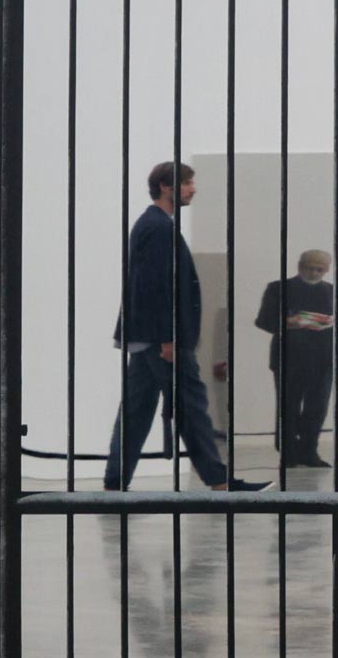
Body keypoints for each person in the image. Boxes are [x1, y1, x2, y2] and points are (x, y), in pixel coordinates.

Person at [103, 161, 264, 493]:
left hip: (147, 339)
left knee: (136, 412)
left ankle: (113, 484)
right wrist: (169, 338)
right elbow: (155, 286)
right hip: (162, 341)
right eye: (188, 183)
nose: (193, 188)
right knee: (191, 407)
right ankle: (218, 480)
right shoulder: (159, 227)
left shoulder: (155, 224)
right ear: (166, 186)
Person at [255, 248, 338, 469]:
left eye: (320, 269)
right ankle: (288, 454)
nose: (315, 273)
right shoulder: (279, 289)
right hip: (290, 358)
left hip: (325, 359)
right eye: (310, 268)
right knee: (288, 407)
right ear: (300, 266)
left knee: (317, 408)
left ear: (327, 270)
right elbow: (263, 320)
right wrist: (288, 322)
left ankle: (309, 452)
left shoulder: (337, 293)